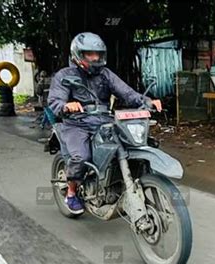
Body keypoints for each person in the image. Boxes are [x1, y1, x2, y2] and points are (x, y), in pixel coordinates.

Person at [48, 32, 162, 214]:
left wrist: (146, 101)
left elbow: (127, 93)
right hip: (76, 124)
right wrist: (66, 106)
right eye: (89, 54)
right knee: (81, 157)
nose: (95, 58)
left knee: (135, 143)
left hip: (104, 121)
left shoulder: (105, 74)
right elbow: (55, 101)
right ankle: (71, 193)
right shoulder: (64, 75)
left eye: (97, 54)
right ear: (78, 54)